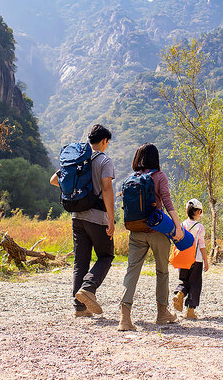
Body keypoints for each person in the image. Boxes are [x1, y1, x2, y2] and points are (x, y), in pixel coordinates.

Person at [50, 124, 115, 317]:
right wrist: (111, 219)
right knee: (106, 256)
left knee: (81, 262)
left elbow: (54, 180)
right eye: (107, 142)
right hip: (97, 217)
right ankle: (88, 288)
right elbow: (106, 189)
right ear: (104, 141)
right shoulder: (104, 161)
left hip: (77, 217)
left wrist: (75, 193)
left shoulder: (78, 159)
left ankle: (80, 309)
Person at [118, 143, 184, 331]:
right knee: (162, 272)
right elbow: (168, 202)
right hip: (157, 231)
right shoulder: (159, 176)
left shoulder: (131, 178)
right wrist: (178, 227)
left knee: (132, 271)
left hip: (136, 231)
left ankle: (125, 317)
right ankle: (162, 313)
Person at [172, 198, 209, 320]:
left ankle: (180, 293)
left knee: (184, 281)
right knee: (195, 284)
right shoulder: (200, 227)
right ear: (198, 211)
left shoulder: (181, 224)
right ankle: (190, 311)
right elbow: (202, 245)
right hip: (196, 260)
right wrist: (206, 261)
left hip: (183, 259)